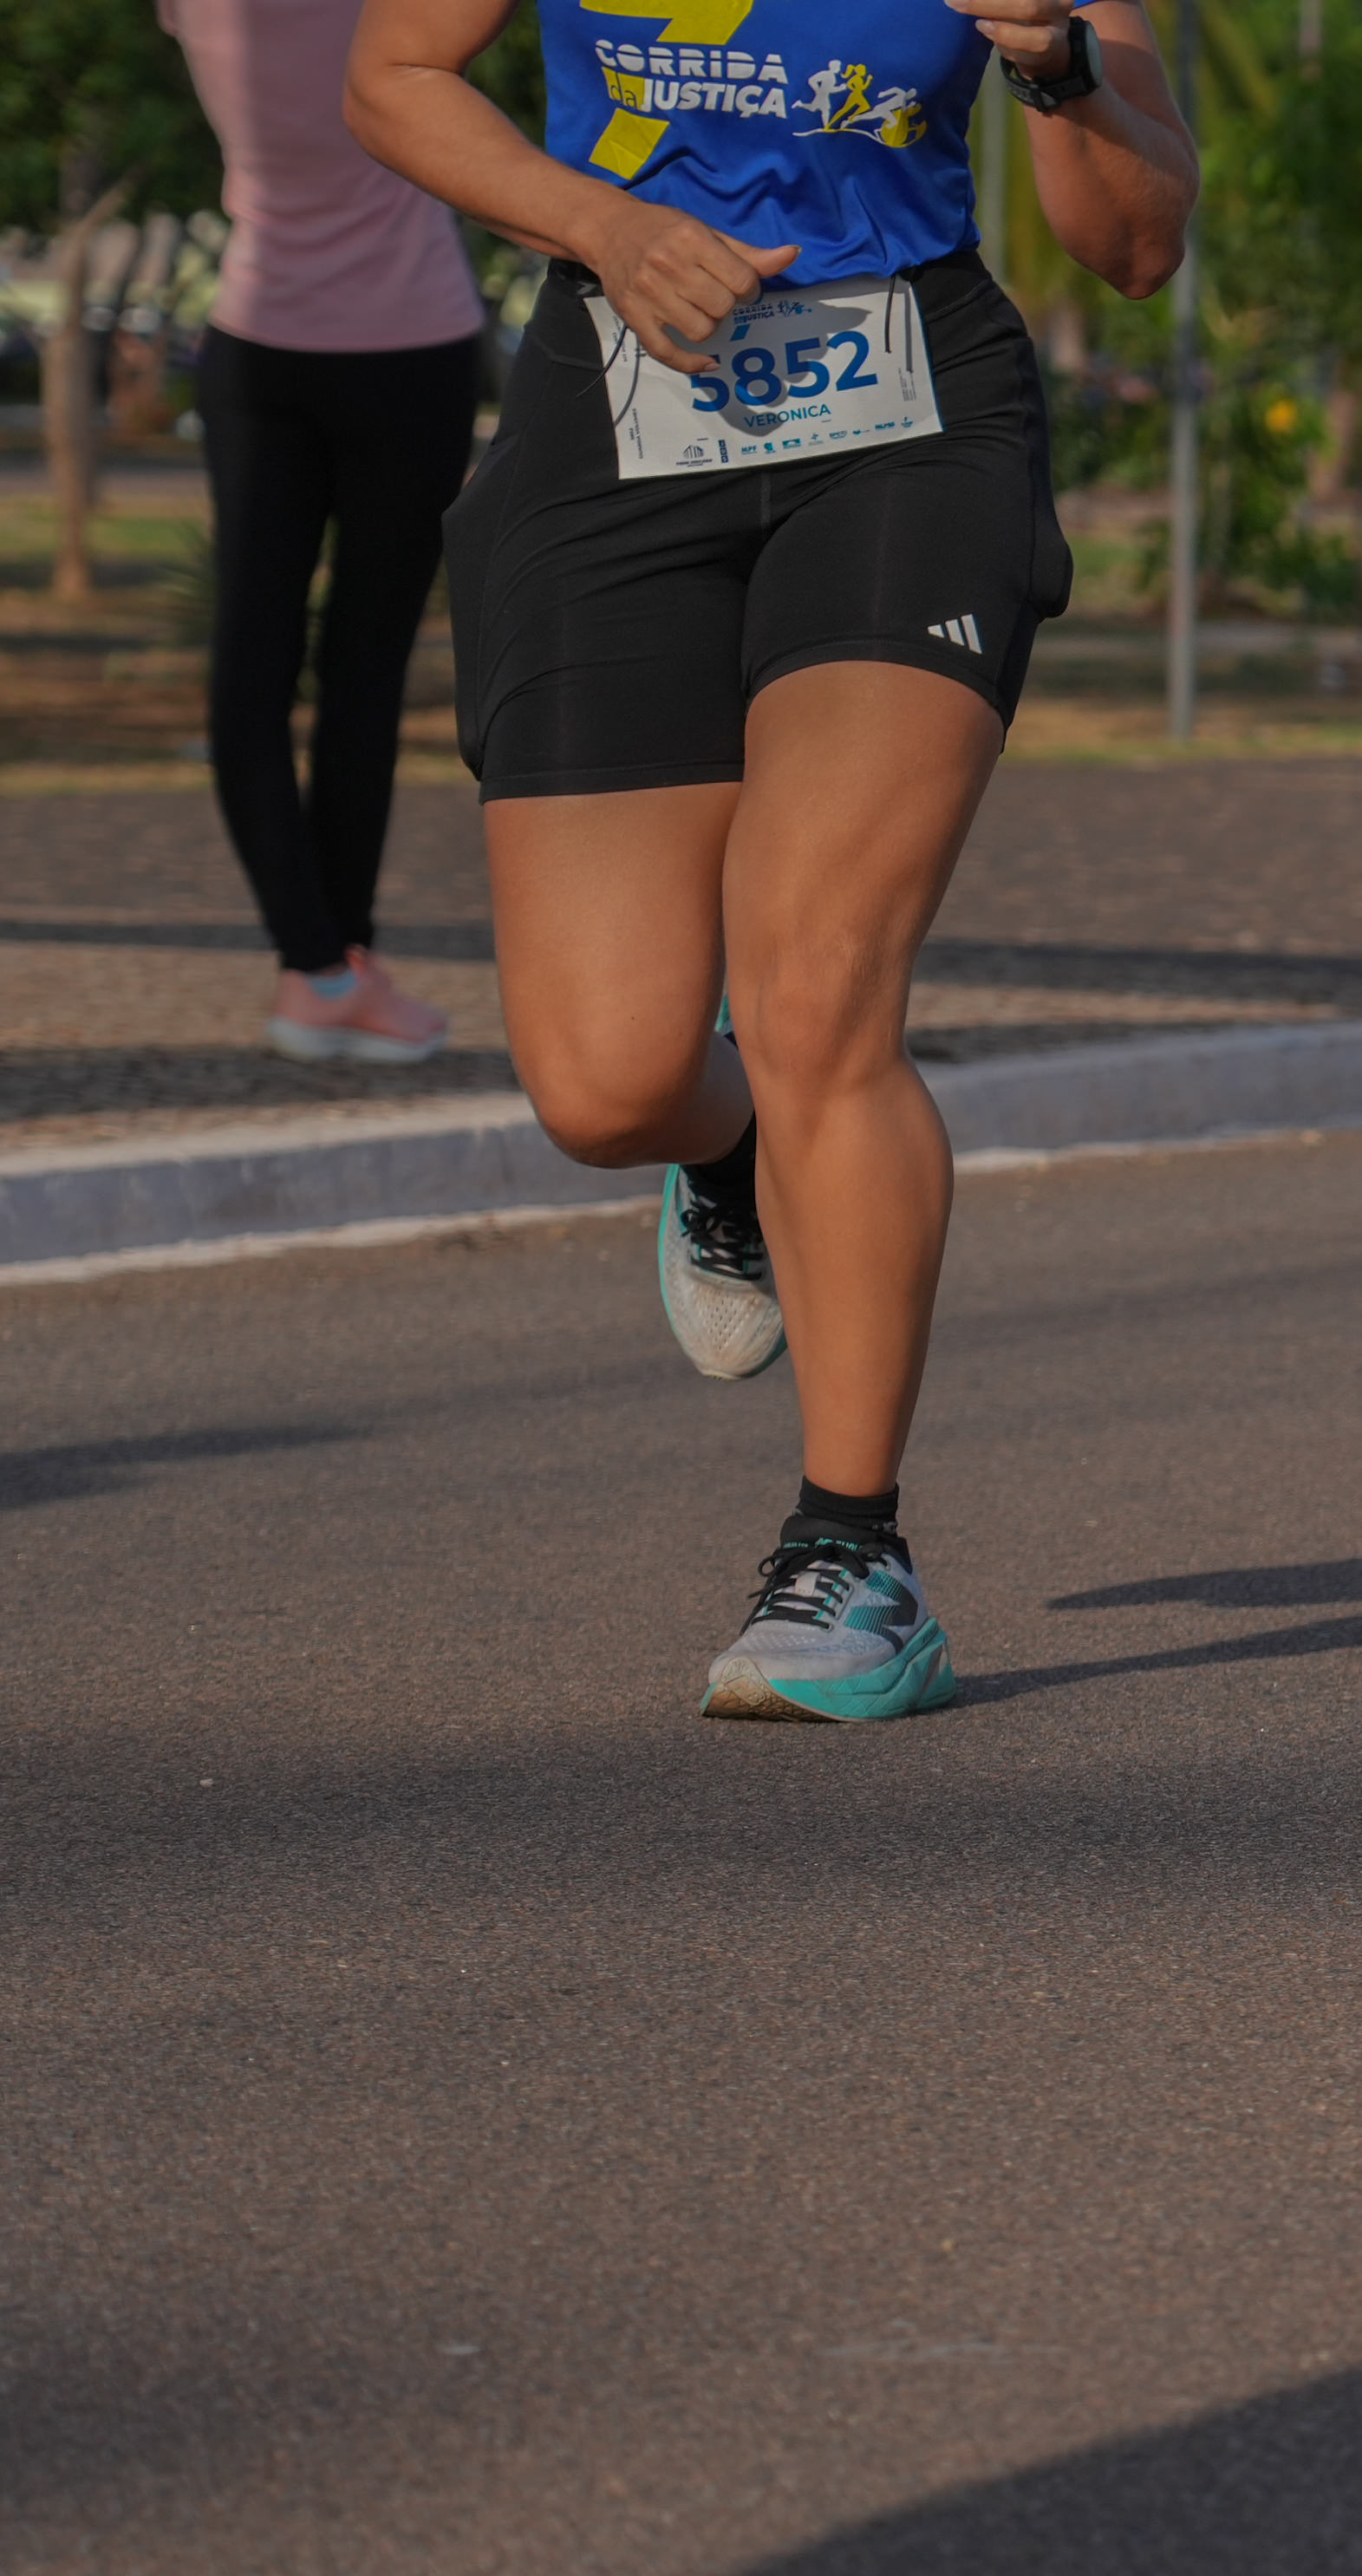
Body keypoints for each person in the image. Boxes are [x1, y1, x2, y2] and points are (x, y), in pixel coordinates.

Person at [349, 0, 1191, 1718]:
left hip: (909, 421)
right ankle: (729, 1149)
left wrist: (1054, 66)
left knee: (816, 988)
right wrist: (604, 223)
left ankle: (853, 1553)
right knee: (606, 1083)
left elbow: (1137, 244)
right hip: (619, 400)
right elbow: (391, 76)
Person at [166, 0, 490, 1068]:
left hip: (259, 345)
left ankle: (321, 967)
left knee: (250, 667)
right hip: (411, 347)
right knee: (364, 672)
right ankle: (334, 967)